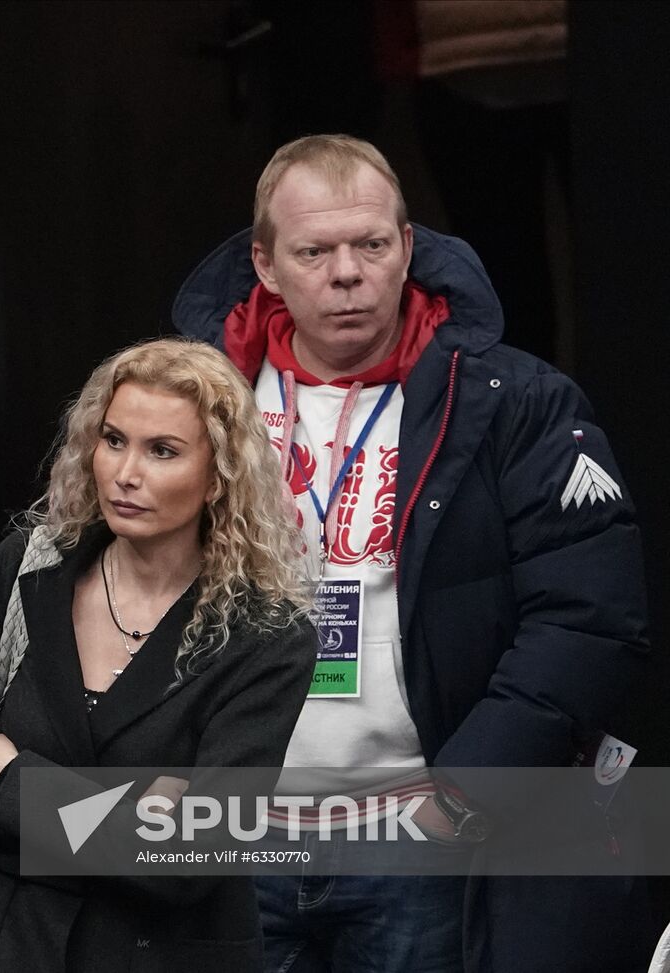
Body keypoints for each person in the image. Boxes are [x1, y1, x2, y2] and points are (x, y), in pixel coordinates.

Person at [172, 134, 649, 972]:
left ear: (408, 249)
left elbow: (589, 617)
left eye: (372, 245)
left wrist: (459, 795)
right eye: (314, 250)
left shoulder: (512, 401)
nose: (347, 272)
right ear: (266, 264)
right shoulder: (188, 402)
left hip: (418, 835)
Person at [0, 338, 316, 972]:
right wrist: (129, 827)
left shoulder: (267, 634)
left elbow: (194, 860)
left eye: (163, 452)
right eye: (114, 439)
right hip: (6, 950)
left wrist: (11, 776)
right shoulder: (27, 566)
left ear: (219, 475)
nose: (126, 473)